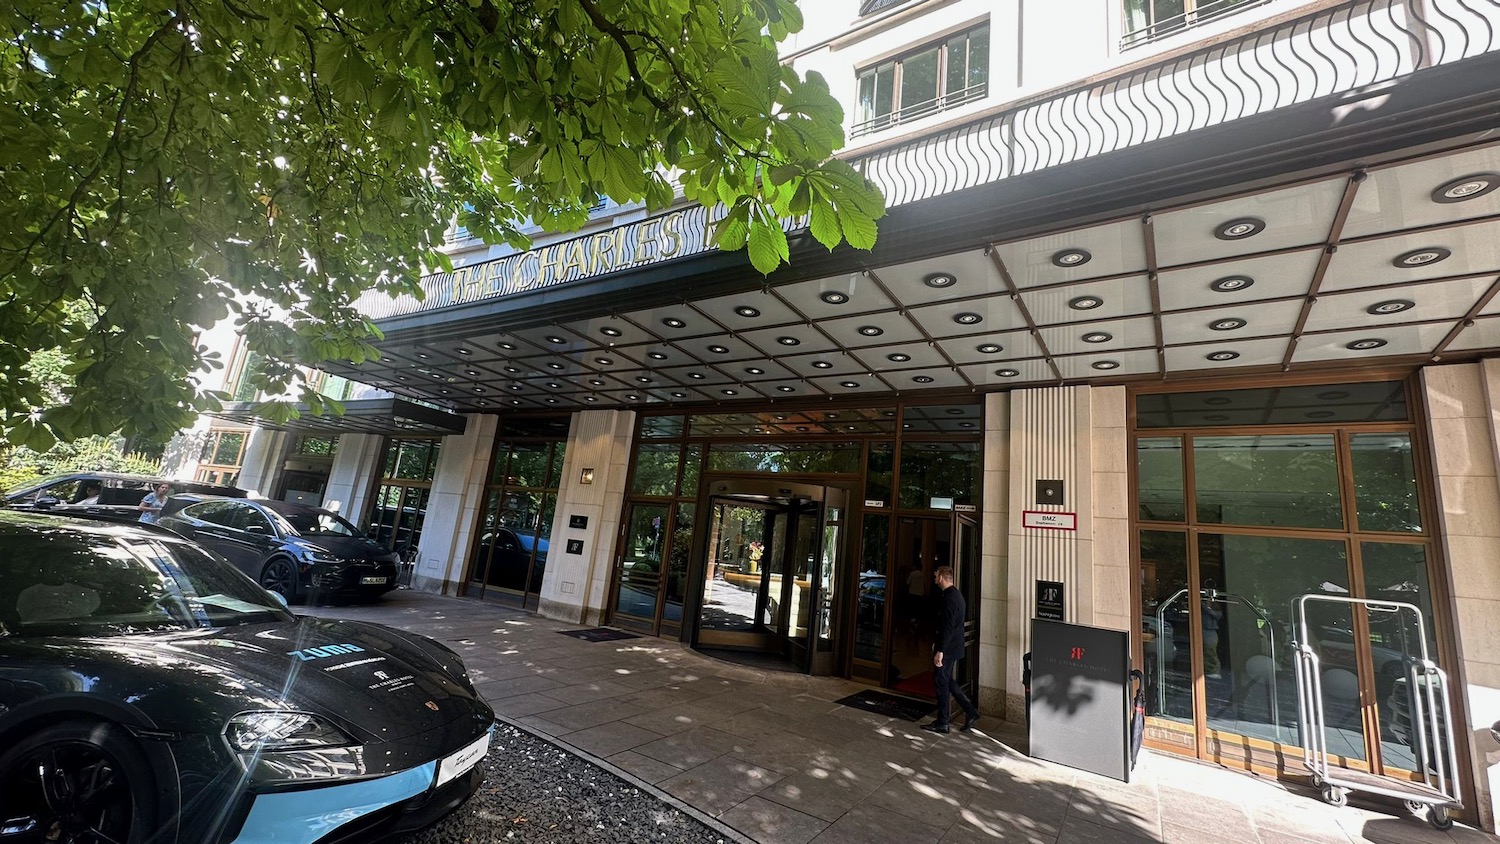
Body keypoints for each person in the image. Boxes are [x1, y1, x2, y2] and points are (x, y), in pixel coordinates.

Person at [922, 565, 980, 734]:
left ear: (941, 577)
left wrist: (940, 650)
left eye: (935, 575)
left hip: (947, 649)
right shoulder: (956, 595)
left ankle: (943, 722)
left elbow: (947, 627)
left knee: (941, 681)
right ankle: (970, 710)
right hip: (952, 647)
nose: (934, 578)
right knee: (946, 680)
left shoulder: (949, 598)